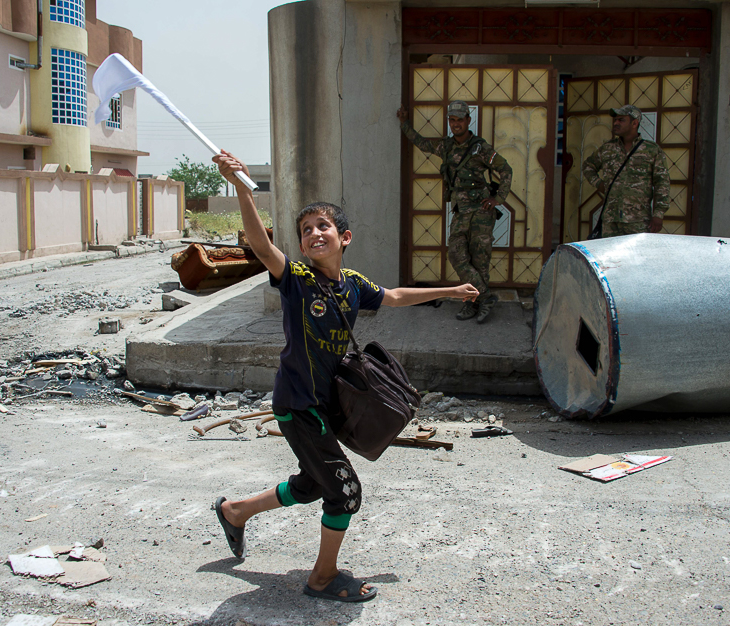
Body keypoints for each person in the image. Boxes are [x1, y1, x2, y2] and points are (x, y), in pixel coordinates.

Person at [211, 150, 478, 603]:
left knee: (313, 484)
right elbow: (260, 247)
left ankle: (235, 511)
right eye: (305, 230)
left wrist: (449, 290)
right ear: (300, 245)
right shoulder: (296, 278)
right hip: (298, 403)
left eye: (323, 227)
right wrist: (240, 186)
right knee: (344, 492)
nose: (314, 234)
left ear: (344, 236)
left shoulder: (352, 284)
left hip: (325, 403)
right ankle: (321, 578)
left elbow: (392, 295)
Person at [396, 100, 513, 323]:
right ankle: (485, 297)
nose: (455, 124)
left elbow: (505, 169)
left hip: (481, 214)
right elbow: (423, 144)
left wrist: (498, 199)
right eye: (452, 120)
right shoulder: (447, 146)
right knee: (457, 255)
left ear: (468, 121)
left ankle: (472, 304)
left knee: (480, 260)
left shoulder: (480, 148)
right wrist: (404, 124)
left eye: (460, 120)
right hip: (461, 213)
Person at [582, 104, 671, 238]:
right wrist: (599, 184)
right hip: (610, 219)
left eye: (621, 120)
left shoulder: (651, 150)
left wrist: (658, 214)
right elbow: (588, 166)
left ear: (634, 123)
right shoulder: (608, 149)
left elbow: (662, 183)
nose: (616, 123)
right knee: (610, 257)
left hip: (638, 220)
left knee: (635, 257)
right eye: (615, 120)